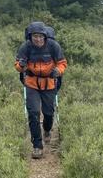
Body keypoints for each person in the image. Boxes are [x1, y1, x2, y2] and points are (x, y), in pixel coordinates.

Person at [15, 21, 67, 159]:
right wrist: (21, 66)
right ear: (30, 37)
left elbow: (62, 63)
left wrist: (58, 71)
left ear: (45, 36)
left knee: (48, 113)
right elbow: (17, 65)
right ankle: (37, 146)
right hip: (31, 83)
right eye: (35, 36)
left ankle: (47, 130)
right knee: (33, 113)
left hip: (49, 83)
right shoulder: (25, 47)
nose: (38, 39)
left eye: (40, 36)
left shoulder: (53, 46)